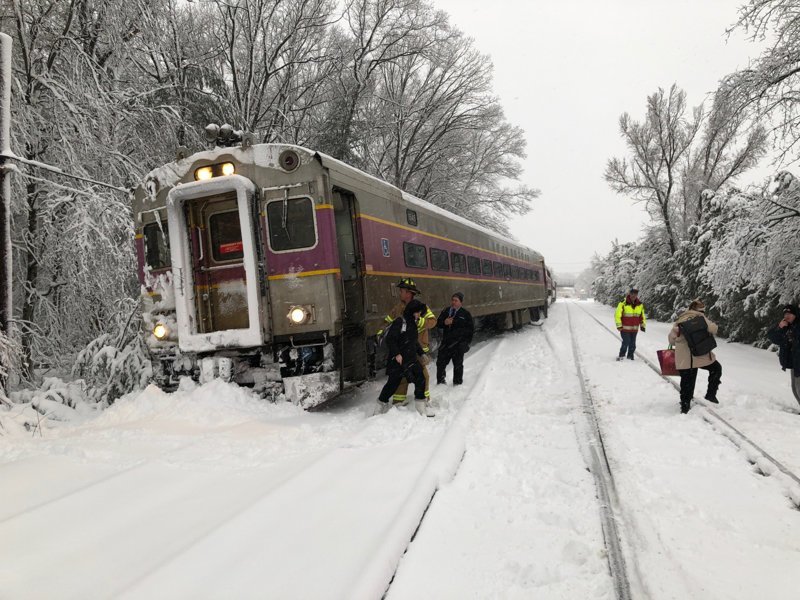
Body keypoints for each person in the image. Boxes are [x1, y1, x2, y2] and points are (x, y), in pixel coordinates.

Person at [380, 278, 436, 410]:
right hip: (403, 348)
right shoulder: (398, 308)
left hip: (417, 347)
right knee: (401, 377)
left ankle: (424, 400)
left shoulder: (420, 307)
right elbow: (387, 321)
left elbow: (433, 321)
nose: (400, 293)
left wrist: (420, 322)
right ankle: (398, 401)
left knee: (423, 375)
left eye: (402, 291)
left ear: (409, 293)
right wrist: (382, 331)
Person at [374, 299, 432, 417]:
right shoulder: (400, 322)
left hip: (410, 359)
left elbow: (414, 341)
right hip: (398, 361)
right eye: (418, 312)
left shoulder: (413, 323)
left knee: (420, 378)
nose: (419, 315)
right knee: (392, 385)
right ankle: (379, 407)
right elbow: (390, 339)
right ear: (412, 311)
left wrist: (422, 353)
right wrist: (397, 354)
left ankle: (420, 408)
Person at [668, 299, 722, 414]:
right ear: (701, 310)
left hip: (684, 358)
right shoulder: (701, 318)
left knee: (687, 381)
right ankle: (711, 395)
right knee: (716, 368)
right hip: (700, 355)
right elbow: (714, 329)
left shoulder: (680, 319)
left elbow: (671, 340)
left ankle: (685, 406)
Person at [436, 292, 474, 385]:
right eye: (452, 300)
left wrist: (466, 343)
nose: (453, 302)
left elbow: (470, 330)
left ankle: (457, 383)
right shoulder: (446, 311)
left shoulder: (465, 314)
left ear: (461, 302)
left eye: (456, 300)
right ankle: (440, 381)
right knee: (440, 363)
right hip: (446, 343)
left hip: (458, 344)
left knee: (458, 365)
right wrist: (444, 322)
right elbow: (438, 323)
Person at [767, 303, 800, 375]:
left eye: (789, 314)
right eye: (785, 314)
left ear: (795, 315)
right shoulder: (785, 327)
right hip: (793, 365)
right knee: (795, 382)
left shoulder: (797, 325)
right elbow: (772, 337)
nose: (786, 316)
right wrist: (779, 327)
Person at [614, 288, 646, 361]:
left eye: (635, 294)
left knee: (633, 344)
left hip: (634, 329)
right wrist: (619, 326)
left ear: (637, 295)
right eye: (632, 294)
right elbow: (617, 315)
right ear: (629, 294)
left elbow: (642, 316)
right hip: (624, 328)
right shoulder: (623, 303)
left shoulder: (640, 304)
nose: (633, 295)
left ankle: (630, 356)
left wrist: (642, 325)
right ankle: (621, 355)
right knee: (626, 342)